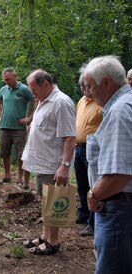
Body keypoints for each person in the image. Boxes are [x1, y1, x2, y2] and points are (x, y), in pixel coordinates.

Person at [83, 55, 132, 274]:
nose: (89, 92)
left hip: (118, 209)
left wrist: (93, 196)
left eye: (91, 86)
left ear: (106, 83)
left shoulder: (120, 111)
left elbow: (119, 174)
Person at [21, 70, 76, 255]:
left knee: (53, 201)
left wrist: (65, 166)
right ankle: (45, 236)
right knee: (46, 201)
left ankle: (53, 241)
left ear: (45, 83)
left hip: (54, 164)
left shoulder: (61, 102)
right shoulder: (43, 100)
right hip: (41, 162)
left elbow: (69, 137)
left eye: (33, 88)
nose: (32, 92)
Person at [0, 67, 34, 188]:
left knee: (20, 154)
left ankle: (20, 177)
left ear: (14, 77)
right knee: (4, 152)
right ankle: (7, 175)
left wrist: (29, 118)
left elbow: (34, 100)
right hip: (4, 127)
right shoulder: (3, 89)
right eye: (5, 79)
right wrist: (0, 115)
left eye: (8, 79)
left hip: (19, 128)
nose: (6, 81)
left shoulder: (24, 89)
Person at [74, 73, 102, 237]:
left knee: (94, 185)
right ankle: (83, 213)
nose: (85, 89)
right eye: (83, 86)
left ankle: (93, 222)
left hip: (93, 149)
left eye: (87, 86)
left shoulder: (100, 104)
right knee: (82, 183)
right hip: (78, 147)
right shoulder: (81, 102)